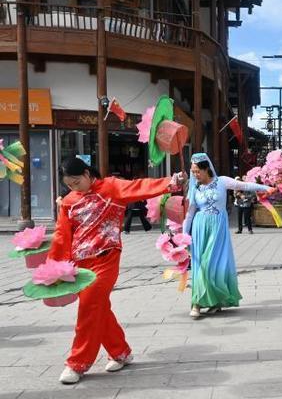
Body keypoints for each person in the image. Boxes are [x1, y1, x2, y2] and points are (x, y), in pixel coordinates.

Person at [48, 157, 186, 384]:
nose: (74, 187)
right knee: (98, 308)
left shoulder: (110, 187)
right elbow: (62, 235)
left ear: (86, 173)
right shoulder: (69, 202)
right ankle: (120, 352)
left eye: (76, 182)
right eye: (69, 185)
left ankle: (77, 363)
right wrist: (55, 268)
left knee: (89, 307)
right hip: (80, 264)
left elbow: (139, 186)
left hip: (106, 259)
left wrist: (171, 182)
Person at [183, 153, 273, 319]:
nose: (195, 175)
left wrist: (265, 188)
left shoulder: (222, 181)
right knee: (199, 265)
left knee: (211, 264)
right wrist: (183, 235)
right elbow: (190, 213)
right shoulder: (194, 187)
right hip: (199, 227)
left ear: (206, 168)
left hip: (218, 228)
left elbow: (244, 186)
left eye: (197, 171)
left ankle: (211, 300)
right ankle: (197, 303)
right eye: (193, 172)